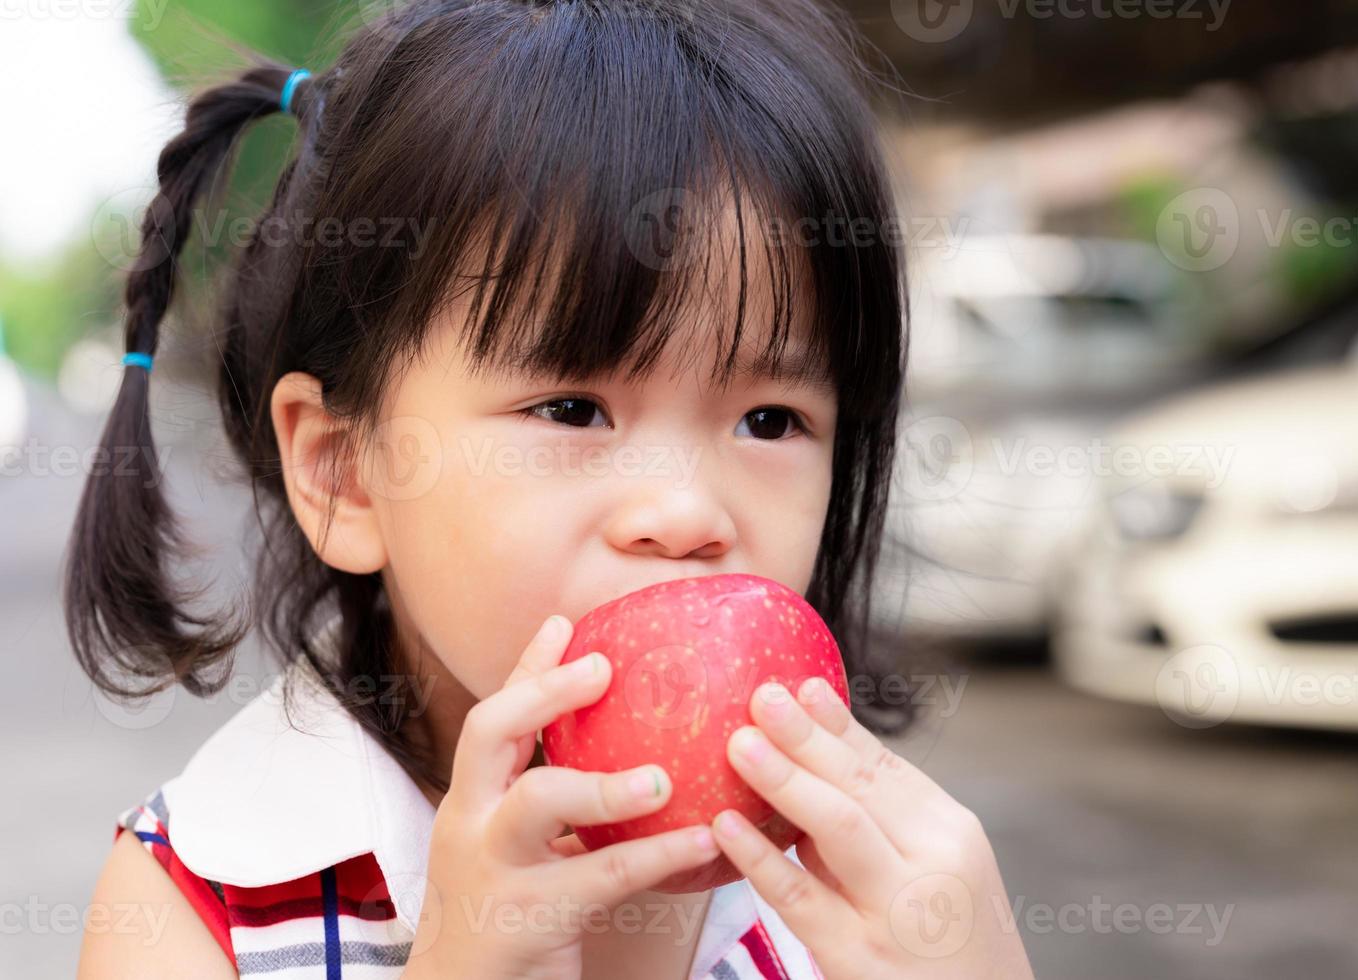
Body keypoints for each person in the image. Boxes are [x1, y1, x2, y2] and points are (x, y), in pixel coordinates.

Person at [69, 1, 1036, 978]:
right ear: (345, 472)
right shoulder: (197, 898)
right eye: (572, 408)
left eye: (770, 420)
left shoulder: (868, 896)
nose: (686, 513)